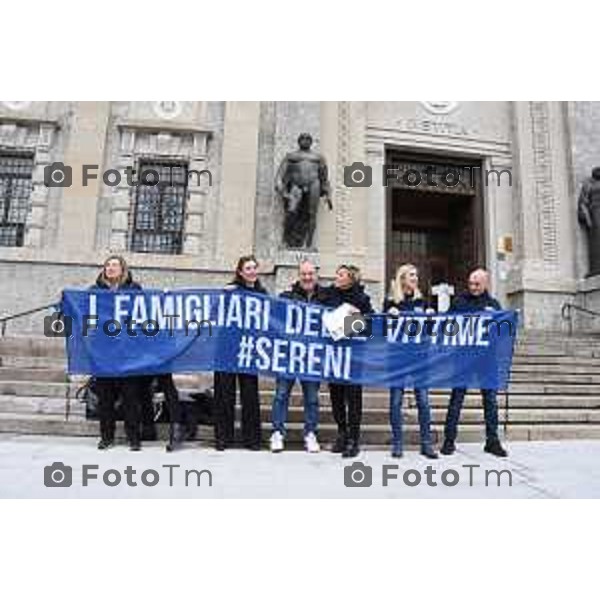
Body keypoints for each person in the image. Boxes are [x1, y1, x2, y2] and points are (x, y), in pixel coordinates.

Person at [440, 268, 508, 457]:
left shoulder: (494, 304)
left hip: (487, 360)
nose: (473, 287)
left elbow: (502, 332)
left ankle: (492, 441)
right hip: (463, 358)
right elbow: (446, 324)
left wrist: (494, 317)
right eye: (471, 283)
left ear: (486, 283)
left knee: (490, 401)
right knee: (456, 400)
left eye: (477, 284)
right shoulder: (459, 302)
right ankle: (449, 440)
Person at [91, 255, 147, 451]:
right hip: (103, 354)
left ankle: (134, 437)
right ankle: (106, 436)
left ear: (123, 269)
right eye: (108, 265)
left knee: (130, 397)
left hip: (127, 353)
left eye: (115, 265)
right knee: (105, 398)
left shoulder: (134, 290)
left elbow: (144, 314)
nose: (111, 268)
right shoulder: (95, 291)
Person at [270, 259, 325, 453]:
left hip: (312, 357)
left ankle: (310, 433)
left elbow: (339, 319)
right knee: (281, 395)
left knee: (311, 398)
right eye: (304, 274)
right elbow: (272, 319)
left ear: (316, 275)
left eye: (311, 274)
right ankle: (277, 433)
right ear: (299, 275)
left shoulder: (325, 298)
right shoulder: (286, 297)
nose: (307, 277)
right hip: (288, 355)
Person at [213, 255, 267, 451]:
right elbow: (215, 313)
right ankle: (223, 438)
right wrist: (222, 296)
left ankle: (252, 439)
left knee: (249, 394)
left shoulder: (262, 293)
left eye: (254, 267)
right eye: (248, 268)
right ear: (241, 272)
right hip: (226, 348)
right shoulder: (230, 291)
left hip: (250, 348)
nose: (252, 271)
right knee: (224, 394)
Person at [384, 264, 438, 459]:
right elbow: (383, 330)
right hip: (397, 358)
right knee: (396, 400)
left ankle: (426, 444)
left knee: (423, 401)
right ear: (402, 278)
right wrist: (390, 317)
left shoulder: (421, 301)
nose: (416, 278)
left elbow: (430, 332)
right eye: (412, 275)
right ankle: (398, 443)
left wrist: (431, 318)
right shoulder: (391, 301)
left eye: (416, 275)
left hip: (419, 358)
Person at [321, 264, 373, 458]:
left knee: (353, 398)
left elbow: (368, 325)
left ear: (351, 278)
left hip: (353, 357)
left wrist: (345, 325)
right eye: (337, 273)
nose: (337, 277)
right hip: (334, 355)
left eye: (341, 274)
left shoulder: (362, 299)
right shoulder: (328, 294)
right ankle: (342, 433)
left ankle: (354, 439)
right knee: (336, 396)